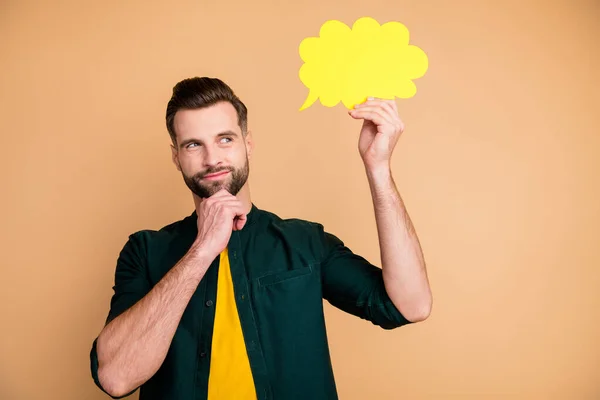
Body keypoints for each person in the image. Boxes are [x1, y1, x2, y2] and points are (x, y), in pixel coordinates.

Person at [89, 77, 432, 400]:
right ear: (176, 157)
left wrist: (378, 167)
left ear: (247, 144)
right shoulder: (145, 251)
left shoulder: (305, 242)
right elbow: (116, 377)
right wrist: (203, 248)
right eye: (194, 144)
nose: (212, 159)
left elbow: (411, 306)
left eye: (225, 139)